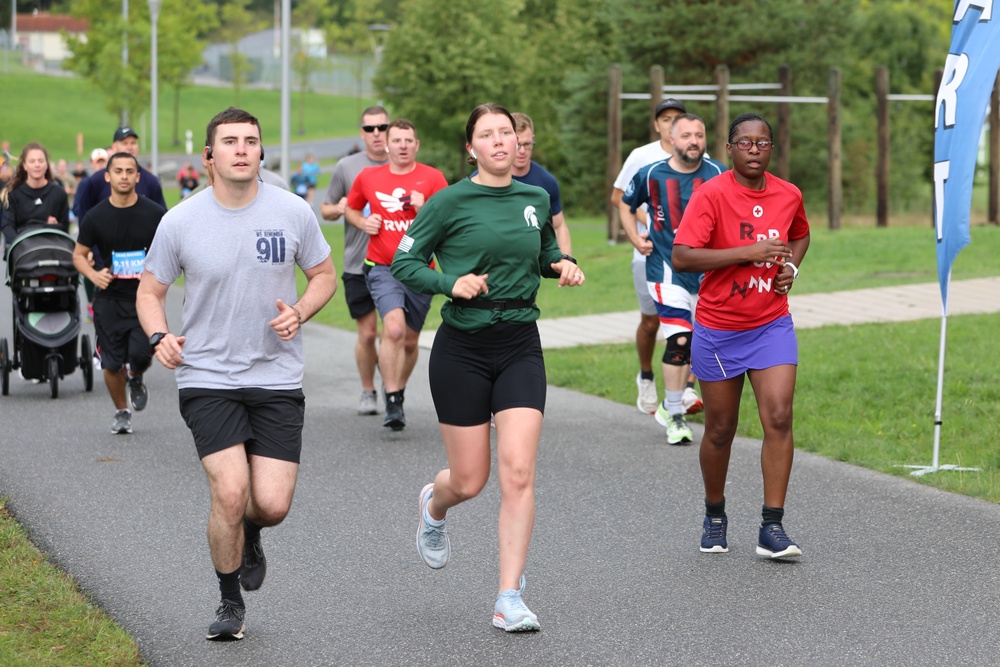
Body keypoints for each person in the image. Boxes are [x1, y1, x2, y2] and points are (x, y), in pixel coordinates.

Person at [136, 106, 337, 641]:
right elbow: (150, 291)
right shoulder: (180, 221)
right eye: (230, 141)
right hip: (207, 376)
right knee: (229, 490)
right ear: (209, 156)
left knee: (270, 503)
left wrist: (302, 310)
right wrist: (160, 336)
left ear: (261, 151)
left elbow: (323, 274)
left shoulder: (293, 211)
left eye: (251, 140)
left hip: (276, 376)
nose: (242, 148)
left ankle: (251, 532)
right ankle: (230, 604)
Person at [392, 102, 585, 632]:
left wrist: (562, 265)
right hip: (463, 348)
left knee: (518, 473)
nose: (501, 142)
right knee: (471, 480)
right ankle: (436, 504)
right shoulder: (449, 201)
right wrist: (448, 283)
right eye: (488, 135)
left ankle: (509, 597)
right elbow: (403, 261)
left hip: (521, 342)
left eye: (507, 133)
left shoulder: (535, 197)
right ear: (471, 148)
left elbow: (543, 252)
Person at [672, 112, 810, 559]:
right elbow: (683, 257)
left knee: (779, 416)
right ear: (729, 149)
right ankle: (715, 515)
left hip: (771, 322)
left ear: (772, 148)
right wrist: (747, 253)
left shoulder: (788, 194)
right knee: (720, 429)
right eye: (745, 143)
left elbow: (801, 235)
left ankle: (772, 526)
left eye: (762, 143)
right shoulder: (710, 194)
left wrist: (789, 267)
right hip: (719, 329)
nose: (754, 149)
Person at [619, 113, 725, 445]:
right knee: (679, 339)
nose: (693, 141)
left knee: (703, 343)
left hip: (708, 273)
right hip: (665, 270)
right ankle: (676, 417)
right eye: (686, 136)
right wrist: (634, 237)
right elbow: (625, 203)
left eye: (699, 135)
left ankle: (671, 404)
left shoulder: (719, 173)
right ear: (672, 140)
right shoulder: (651, 173)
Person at [345, 119, 448, 431]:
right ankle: (391, 399)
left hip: (420, 269)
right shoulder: (368, 177)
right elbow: (350, 208)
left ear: (417, 145)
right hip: (382, 267)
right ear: (387, 145)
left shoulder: (433, 178)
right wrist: (363, 223)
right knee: (392, 330)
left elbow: (451, 222)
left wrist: (426, 206)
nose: (403, 145)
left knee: (410, 341)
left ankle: (398, 390)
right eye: (397, 140)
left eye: (409, 140)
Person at [611, 98, 703, 417]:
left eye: (677, 118)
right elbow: (619, 196)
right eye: (665, 118)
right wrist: (642, 228)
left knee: (691, 325)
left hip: (693, 259)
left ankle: (686, 389)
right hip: (651, 254)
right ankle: (646, 375)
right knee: (651, 322)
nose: (670, 123)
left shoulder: (702, 161)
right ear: (657, 124)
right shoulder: (643, 157)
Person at [73, 152, 165, 434]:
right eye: (119, 171)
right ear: (108, 176)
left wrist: (161, 283)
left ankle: (135, 376)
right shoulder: (96, 216)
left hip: (143, 299)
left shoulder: (155, 214)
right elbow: (79, 255)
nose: (124, 176)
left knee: (142, 354)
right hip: (110, 299)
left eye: (129, 171)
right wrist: (93, 274)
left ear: (138, 177)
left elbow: (170, 252)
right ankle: (121, 411)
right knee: (111, 362)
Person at [320, 105, 390, 416]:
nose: (377, 134)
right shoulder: (347, 167)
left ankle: (394, 387)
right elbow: (325, 208)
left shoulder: (402, 165)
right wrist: (342, 207)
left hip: (398, 263)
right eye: (370, 129)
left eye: (382, 127)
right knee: (369, 333)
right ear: (362, 133)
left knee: (402, 336)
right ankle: (368, 390)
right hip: (358, 261)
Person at [76, 131, 166, 324]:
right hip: (106, 270)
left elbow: (165, 231)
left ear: (137, 176)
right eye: (124, 143)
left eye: (133, 142)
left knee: (140, 351)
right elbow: (85, 217)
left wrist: (158, 274)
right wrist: (91, 258)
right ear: (114, 147)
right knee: (110, 349)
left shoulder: (150, 183)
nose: (130, 146)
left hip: (143, 281)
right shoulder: (95, 183)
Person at [510, 113, 572, 253]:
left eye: (527, 144)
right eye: (517, 145)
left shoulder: (546, 182)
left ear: (533, 140)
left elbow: (559, 226)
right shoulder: (484, 180)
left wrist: (567, 263)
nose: (522, 151)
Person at [0, 142, 70, 246]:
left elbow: (65, 226)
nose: (37, 165)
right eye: (32, 161)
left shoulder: (58, 193)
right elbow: (7, 226)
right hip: (23, 253)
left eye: (41, 161)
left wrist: (55, 226)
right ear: (25, 165)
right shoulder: (13, 194)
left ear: (46, 164)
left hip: (52, 249)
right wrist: (20, 245)